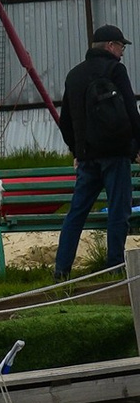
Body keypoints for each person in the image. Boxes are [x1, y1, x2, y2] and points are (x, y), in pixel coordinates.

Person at [54, 26, 140, 277]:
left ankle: (62, 270)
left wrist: (76, 151)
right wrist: (136, 147)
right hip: (116, 155)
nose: (122, 53)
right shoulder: (115, 70)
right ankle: (114, 267)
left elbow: (65, 121)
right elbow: (131, 113)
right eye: (121, 47)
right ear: (111, 45)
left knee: (76, 213)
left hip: (87, 157)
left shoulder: (74, 75)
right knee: (118, 211)